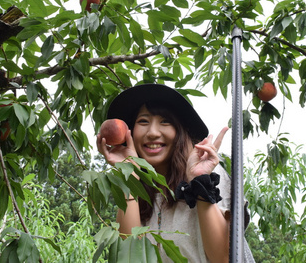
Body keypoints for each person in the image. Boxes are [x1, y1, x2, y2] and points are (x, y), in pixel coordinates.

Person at [97, 84, 255, 263]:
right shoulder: (137, 190)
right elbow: (132, 255)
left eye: (165, 122)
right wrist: (129, 172)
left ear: (180, 132)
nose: (153, 133)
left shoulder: (209, 176)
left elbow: (224, 258)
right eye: (143, 121)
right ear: (130, 134)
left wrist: (200, 183)